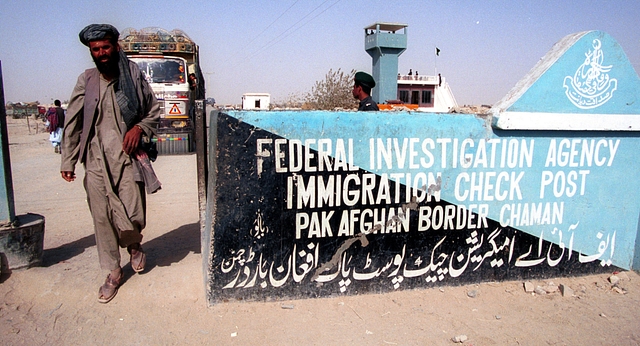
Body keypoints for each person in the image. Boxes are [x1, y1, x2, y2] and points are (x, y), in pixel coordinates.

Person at [60, 24, 161, 304]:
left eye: (106, 47)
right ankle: (113, 271)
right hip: (95, 160)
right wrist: (68, 159)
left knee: (133, 210)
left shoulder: (132, 75)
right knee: (102, 216)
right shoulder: (87, 80)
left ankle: (134, 244)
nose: (101, 53)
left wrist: (139, 128)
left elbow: (153, 109)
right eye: (96, 49)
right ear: (91, 52)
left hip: (127, 159)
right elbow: (73, 121)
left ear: (115, 46)